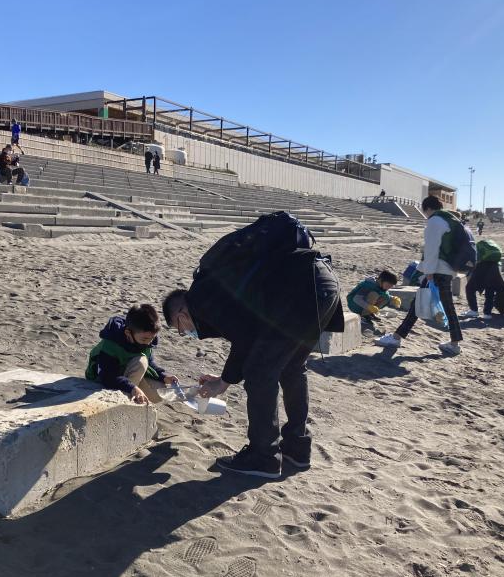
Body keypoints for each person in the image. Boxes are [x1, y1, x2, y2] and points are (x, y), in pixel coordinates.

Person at [161, 231, 341, 478]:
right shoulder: (214, 291)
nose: (186, 333)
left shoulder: (201, 298)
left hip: (300, 291)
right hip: (320, 283)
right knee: (291, 368)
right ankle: (297, 448)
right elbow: (250, 337)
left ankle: (263, 456)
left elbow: (245, 339)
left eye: (180, 328)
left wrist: (224, 382)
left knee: (259, 374)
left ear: (180, 314)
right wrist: (224, 377)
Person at [374, 195, 464, 355]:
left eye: (425, 212)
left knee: (423, 305)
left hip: (436, 270)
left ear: (427, 209)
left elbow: (431, 248)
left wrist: (428, 272)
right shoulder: (450, 220)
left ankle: (396, 338)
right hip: (447, 270)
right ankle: (454, 343)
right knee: (438, 306)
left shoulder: (435, 221)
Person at [85, 304, 178, 405]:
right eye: (145, 339)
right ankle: (123, 403)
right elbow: (108, 377)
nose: (148, 342)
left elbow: (150, 363)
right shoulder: (111, 345)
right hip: (102, 379)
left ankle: (131, 395)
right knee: (141, 362)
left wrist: (164, 376)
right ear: (128, 333)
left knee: (160, 392)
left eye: (152, 338)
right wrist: (133, 388)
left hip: (128, 373)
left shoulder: (146, 340)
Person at [461, 240, 504, 320]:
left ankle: (474, 310)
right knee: (490, 289)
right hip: (495, 268)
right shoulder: (490, 246)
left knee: (470, 288)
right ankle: (487, 313)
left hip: (482, 267)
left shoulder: (476, 247)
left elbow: (475, 260)